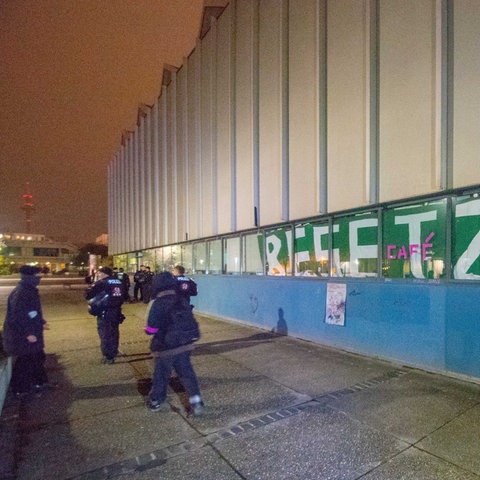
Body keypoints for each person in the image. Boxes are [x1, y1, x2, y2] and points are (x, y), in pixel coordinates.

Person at [144, 272, 203, 414]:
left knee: (161, 375)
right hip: (185, 344)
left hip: (166, 347)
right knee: (187, 374)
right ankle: (196, 400)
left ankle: (156, 400)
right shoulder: (181, 299)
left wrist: (149, 330)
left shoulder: (157, 303)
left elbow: (151, 329)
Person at [2, 265, 50, 398]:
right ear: (30, 277)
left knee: (37, 357)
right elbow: (19, 315)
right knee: (24, 362)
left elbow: (32, 312)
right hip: (22, 335)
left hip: (30, 332)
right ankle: (20, 390)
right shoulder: (22, 292)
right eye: (37, 275)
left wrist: (41, 322)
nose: (39, 278)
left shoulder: (28, 290)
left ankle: (38, 382)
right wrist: (28, 333)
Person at [84, 267, 124, 364]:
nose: (98, 274)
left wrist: (94, 282)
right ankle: (114, 351)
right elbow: (124, 295)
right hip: (116, 311)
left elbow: (87, 295)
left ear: (104, 273)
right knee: (114, 332)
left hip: (104, 312)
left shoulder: (102, 282)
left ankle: (108, 356)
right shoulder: (118, 282)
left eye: (99, 273)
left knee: (105, 334)